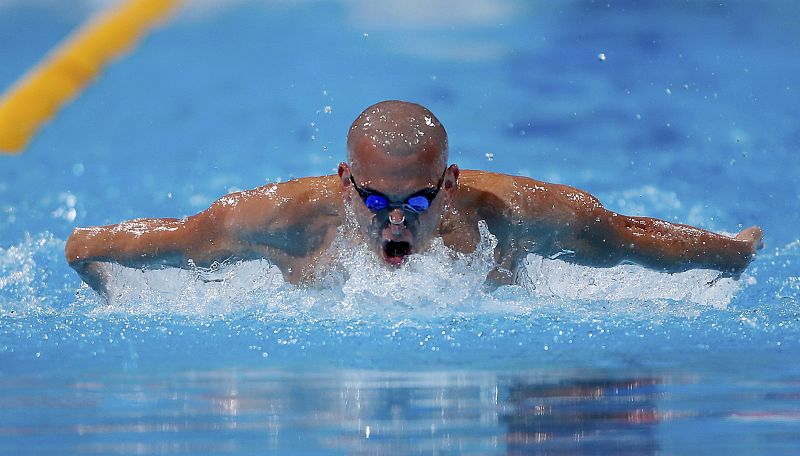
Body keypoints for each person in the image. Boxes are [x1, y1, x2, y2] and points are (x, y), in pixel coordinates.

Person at [66, 100, 763, 298]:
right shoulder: (272, 218)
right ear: (345, 183)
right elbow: (90, 246)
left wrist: (733, 253)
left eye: (417, 202)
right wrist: (105, 290)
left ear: (451, 184)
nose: (394, 221)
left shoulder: (523, 218)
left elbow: (634, 238)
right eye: (373, 202)